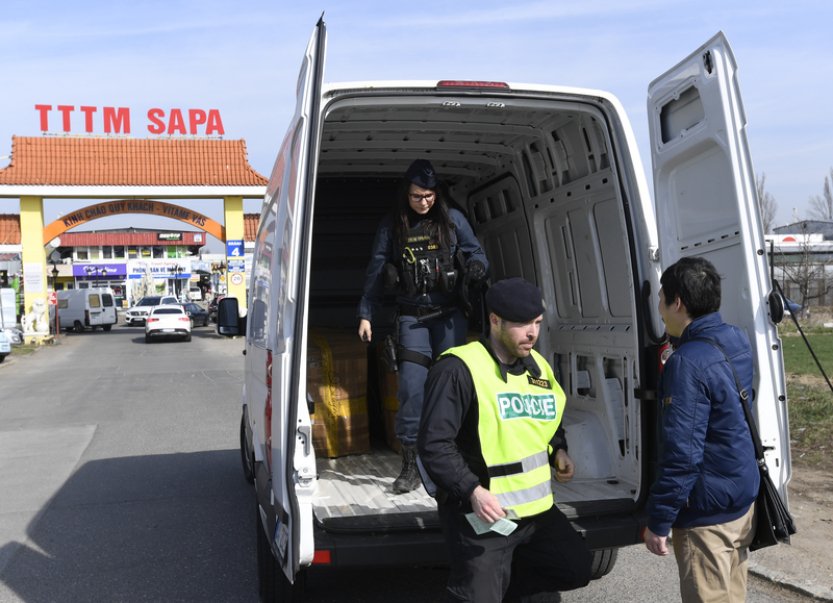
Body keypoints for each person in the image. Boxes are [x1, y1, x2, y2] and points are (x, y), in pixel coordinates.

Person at [417, 277, 592, 602]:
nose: (532, 333)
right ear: (495, 321)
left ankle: (508, 588)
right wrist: (472, 491)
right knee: (478, 596)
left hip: (536, 513)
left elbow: (548, 418)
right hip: (486, 514)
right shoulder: (459, 369)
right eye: (523, 324)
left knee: (576, 567)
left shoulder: (537, 368)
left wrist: (559, 450)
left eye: (537, 323)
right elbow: (434, 445)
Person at [357, 158, 488, 494]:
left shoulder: (453, 219)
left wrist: (475, 267)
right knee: (412, 389)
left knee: (455, 386)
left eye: (429, 196)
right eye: (417, 196)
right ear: (407, 194)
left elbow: (478, 253)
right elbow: (375, 271)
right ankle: (411, 465)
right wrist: (366, 314)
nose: (424, 202)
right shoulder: (393, 226)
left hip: (449, 315)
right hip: (412, 317)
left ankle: (456, 457)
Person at [644, 256, 760, 602]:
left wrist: (659, 520)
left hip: (707, 517)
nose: (661, 311)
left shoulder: (687, 363)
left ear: (677, 302)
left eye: (662, 300)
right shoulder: (735, 338)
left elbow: (682, 455)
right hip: (741, 500)